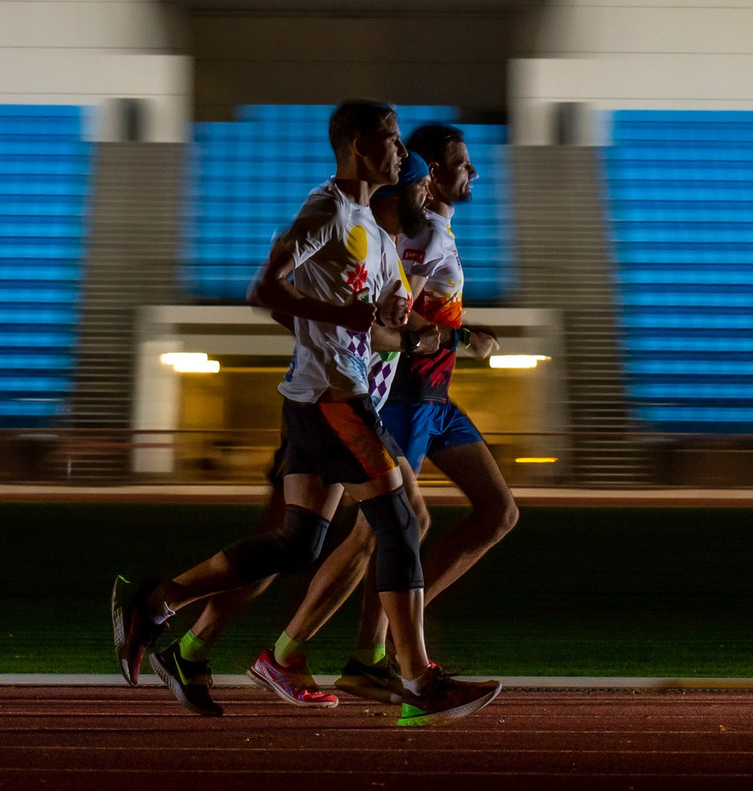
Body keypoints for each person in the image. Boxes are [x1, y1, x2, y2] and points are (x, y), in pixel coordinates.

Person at [110, 100, 501, 727]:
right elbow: (265, 291)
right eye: (392, 140)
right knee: (400, 523)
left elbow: (382, 335)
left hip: (324, 398)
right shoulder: (328, 210)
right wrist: (345, 320)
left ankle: (159, 602)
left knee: (298, 543)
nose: (404, 153)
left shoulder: (377, 237)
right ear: (354, 144)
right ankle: (415, 676)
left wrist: (408, 330)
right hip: (331, 397)